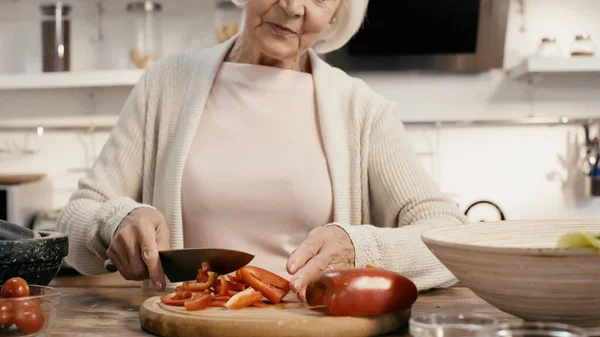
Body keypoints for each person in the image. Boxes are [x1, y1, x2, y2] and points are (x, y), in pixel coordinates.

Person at [57, 0, 467, 301]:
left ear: (338, 12)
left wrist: (360, 248)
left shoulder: (361, 110)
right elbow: (75, 219)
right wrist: (116, 220)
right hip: (188, 327)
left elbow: (452, 241)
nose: (291, 6)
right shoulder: (167, 83)